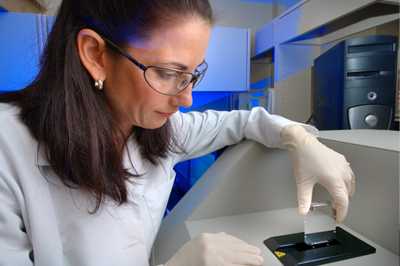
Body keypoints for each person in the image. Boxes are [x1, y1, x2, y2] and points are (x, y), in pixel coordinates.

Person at [0, 0, 355, 265]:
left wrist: (301, 138)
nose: (185, 98)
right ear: (95, 54)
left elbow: (240, 121)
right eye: (168, 73)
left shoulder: (159, 130)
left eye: (192, 73)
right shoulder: (8, 146)